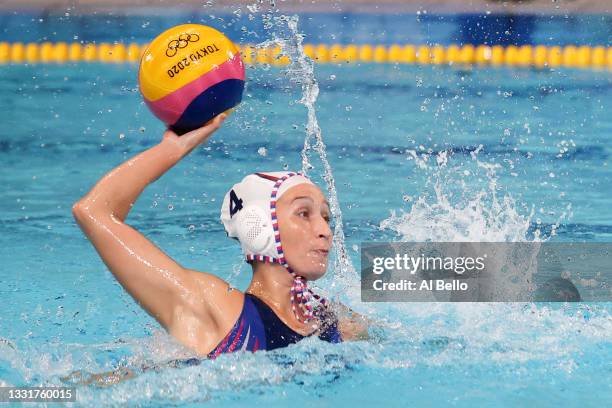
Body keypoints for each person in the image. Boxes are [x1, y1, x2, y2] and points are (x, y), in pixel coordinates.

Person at [72, 113, 368, 360]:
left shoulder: (335, 322)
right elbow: (93, 211)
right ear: (260, 225)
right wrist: (172, 150)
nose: (324, 230)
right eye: (304, 213)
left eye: (326, 217)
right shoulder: (212, 308)